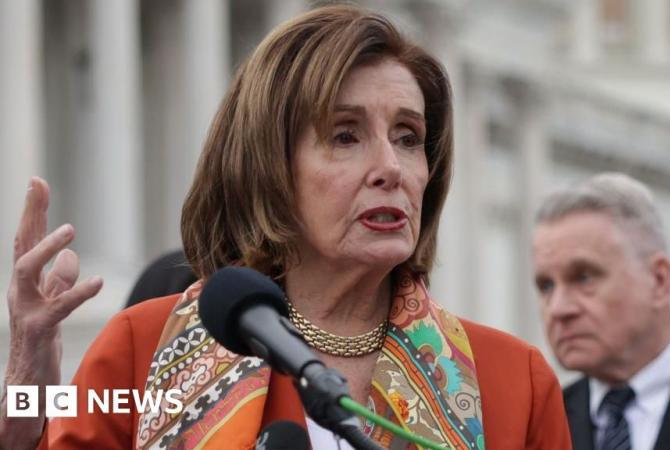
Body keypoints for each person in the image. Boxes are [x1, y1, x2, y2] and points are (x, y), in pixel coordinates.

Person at [1, 5, 572, 449]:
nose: (390, 169)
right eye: (345, 135)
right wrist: (27, 379)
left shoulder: (513, 382)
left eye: (407, 138)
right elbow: (43, 423)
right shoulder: (139, 349)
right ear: (269, 165)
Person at [532, 173, 670, 450]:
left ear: (659, 280)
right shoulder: (540, 425)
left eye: (584, 277)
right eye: (546, 285)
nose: (558, 308)